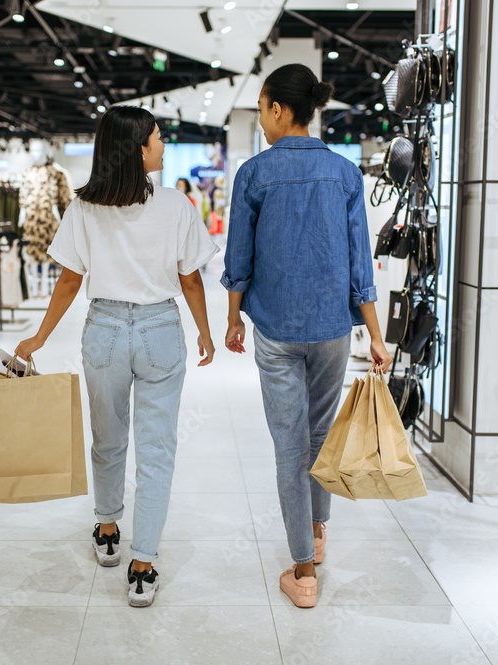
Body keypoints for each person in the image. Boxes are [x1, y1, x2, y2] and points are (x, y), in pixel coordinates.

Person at [15, 106, 219, 608]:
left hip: (103, 329)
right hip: (159, 330)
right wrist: (205, 333)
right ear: (138, 150)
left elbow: (69, 279)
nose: (163, 145)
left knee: (107, 437)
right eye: (157, 138)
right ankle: (143, 563)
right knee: (157, 450)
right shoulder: (175, 205)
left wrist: (40, 337)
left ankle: (107, 530)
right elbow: (191, 278)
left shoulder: (85, 207)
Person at [220, 64, 393, 608]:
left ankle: (302, 571)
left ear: (276, 109)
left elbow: (239, 259)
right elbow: (358, 260)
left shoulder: (254, 173)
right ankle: (317, 535)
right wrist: (377, 334)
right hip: (332, 331)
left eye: (263, 108)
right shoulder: (344, 175)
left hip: (275, 330)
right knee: (319, 437)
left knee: (290, 446)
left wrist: (231, 318)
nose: (263, 119)